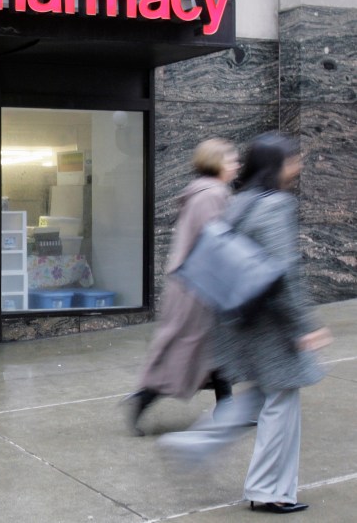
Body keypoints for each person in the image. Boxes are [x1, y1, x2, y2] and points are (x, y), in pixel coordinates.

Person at [157, 132, 332, 514]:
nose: (297, 165)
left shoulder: (239, 202)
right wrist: (303, 326)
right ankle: (269, 490)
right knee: (282, 401)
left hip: (239, 317)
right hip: (271, 322)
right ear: (277, 165)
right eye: (293, 159)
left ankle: (194, 443)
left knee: (261, 395)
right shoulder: (277, 205)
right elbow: (283, 272)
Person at [124, 139, 240, 435]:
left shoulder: (204, 192)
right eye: (230, 159)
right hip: (198, 290)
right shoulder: (212, 195)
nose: (236, 164)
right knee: (183, 355)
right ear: (215, 163)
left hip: (197, 286)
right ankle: (143, 398)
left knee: (214, 351)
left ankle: (226, 410)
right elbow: (217, 245)